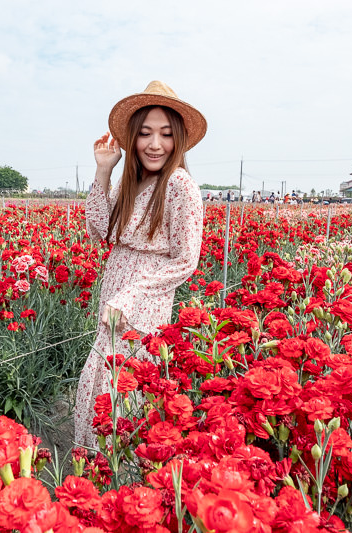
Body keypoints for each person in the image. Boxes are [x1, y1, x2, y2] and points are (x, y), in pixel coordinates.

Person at [76, 81, 206, 447]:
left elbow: (185, 261)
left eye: (165, 134)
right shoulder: (132, 181)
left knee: (124, 386)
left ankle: (119, 479)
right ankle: (97, 472)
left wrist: (132, 294)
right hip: (116, 293)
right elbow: (100, 229)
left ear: (178, 139)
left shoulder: (180, 186)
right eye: (145, 133)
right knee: (101, 381)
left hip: (143, 302)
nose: (155, 144)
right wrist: (104, 170)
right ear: (132, 138)